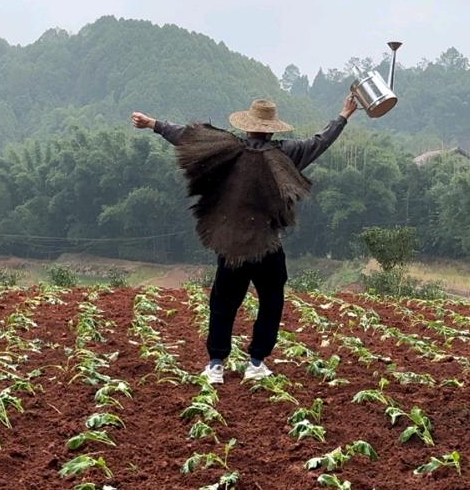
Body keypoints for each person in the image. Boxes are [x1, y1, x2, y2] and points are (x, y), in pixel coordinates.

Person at [131, 95, 357, 383]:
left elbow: (187, 136)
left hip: (232, 245)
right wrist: (343, 115)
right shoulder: (287, 153)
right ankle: (256, 362)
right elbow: (320, 141)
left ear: (248, 127)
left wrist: (153, 124)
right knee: (271, 301)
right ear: (273, 129)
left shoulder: (226, 149)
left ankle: (215, 364)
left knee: (223, 303)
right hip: (267, 245)